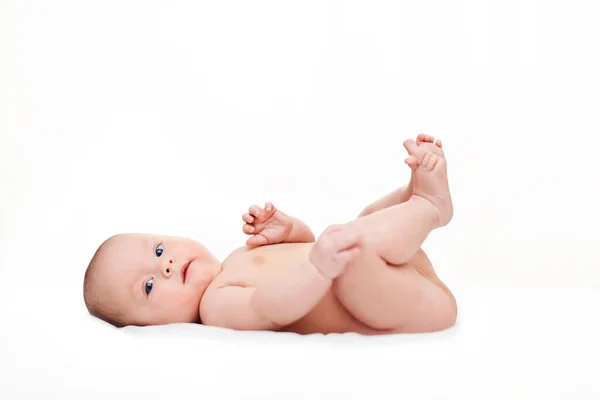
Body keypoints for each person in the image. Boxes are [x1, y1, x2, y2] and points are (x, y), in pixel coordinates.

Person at [83, 134, 457, 335]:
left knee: (358, 226)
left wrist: (295, 233)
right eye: (148, 286)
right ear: (148, 329)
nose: (165, 266)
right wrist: (318, 268)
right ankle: (428, 206)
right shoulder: (216, 307)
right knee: (350, 247)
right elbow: (272, 306)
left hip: (395, 268)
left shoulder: (234, 259)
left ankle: (412, 193)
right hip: (396, 307)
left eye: (159, 249)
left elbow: (310, 250)